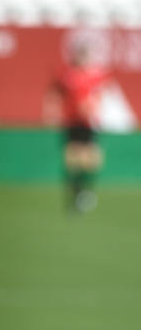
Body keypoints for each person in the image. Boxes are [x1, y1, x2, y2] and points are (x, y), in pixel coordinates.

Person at [45, 40, 110, 213]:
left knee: (91, 160)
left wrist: (93, 106)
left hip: (89, 123)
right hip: (72, 122)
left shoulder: (96, 76)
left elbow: (100, 94)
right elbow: (55, 92)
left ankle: (86, 191)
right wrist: (53, 110)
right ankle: (74, 193)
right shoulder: (68, 75)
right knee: (72, 159)